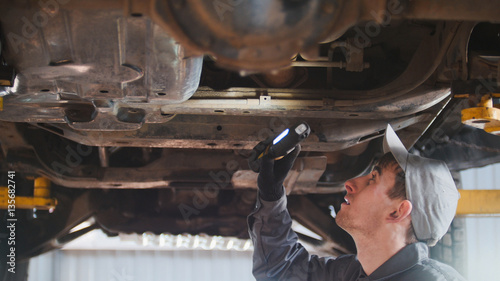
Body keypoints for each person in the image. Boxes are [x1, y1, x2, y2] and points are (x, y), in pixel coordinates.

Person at [248, 124, 466, 280]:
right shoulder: (352, 273)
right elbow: (281, 270)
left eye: (373, 179)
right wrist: (271, 193)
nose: (350, 183)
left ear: (397, 212)